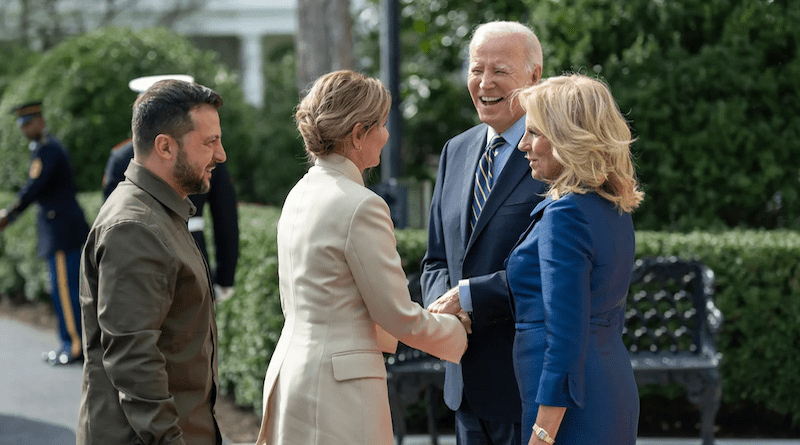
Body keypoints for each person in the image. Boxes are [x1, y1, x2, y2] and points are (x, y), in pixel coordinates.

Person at [255, 70, 469, 445]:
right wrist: (460, 333)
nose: (386, 136)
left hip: (293, 373)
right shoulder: (361, 205)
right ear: (358, 134)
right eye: (382, 125)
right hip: (340, 390)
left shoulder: (299, 193)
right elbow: (396, 314)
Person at [77, 79, 226, 445]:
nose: (221, 154)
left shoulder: (158, 213)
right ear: (164, 146)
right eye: (209, 142)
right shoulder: (136, 226)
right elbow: (134, 360)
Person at [421, 21, 547, 445]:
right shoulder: (455, 150)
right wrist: (446, 308)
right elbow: (436, 259)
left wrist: (470, 299)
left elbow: (553, 267)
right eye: (476, 69)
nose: (484, 82)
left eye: (500, 71)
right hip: (463, 386)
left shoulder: (556, 155)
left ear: (534, 75)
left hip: (525, 384)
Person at [508, 73, 644, 445]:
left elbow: (565, 336)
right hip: (607, 388)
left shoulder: (565, 214)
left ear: (569, 137)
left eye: (534, 132)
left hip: (568, 411)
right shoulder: (610, 205)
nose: (523, 145)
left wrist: (542, 433)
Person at [103, 74, 239, 302]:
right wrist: (225, 278)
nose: (220, 154)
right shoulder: (201, 152)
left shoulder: (120, 157)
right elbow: (225, 219)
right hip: (190, 258)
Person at [0, 101, 89, 366]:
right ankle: (67, 343)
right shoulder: (42, 148)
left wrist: (9, 213)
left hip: (62, 232)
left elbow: (34, 187)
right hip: (58, 231)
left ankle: (74, 346)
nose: (25, 129)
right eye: (22, 125)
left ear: (40, 120)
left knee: (66, 291)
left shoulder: (49, 150)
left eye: (28, 123)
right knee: (61, 290)